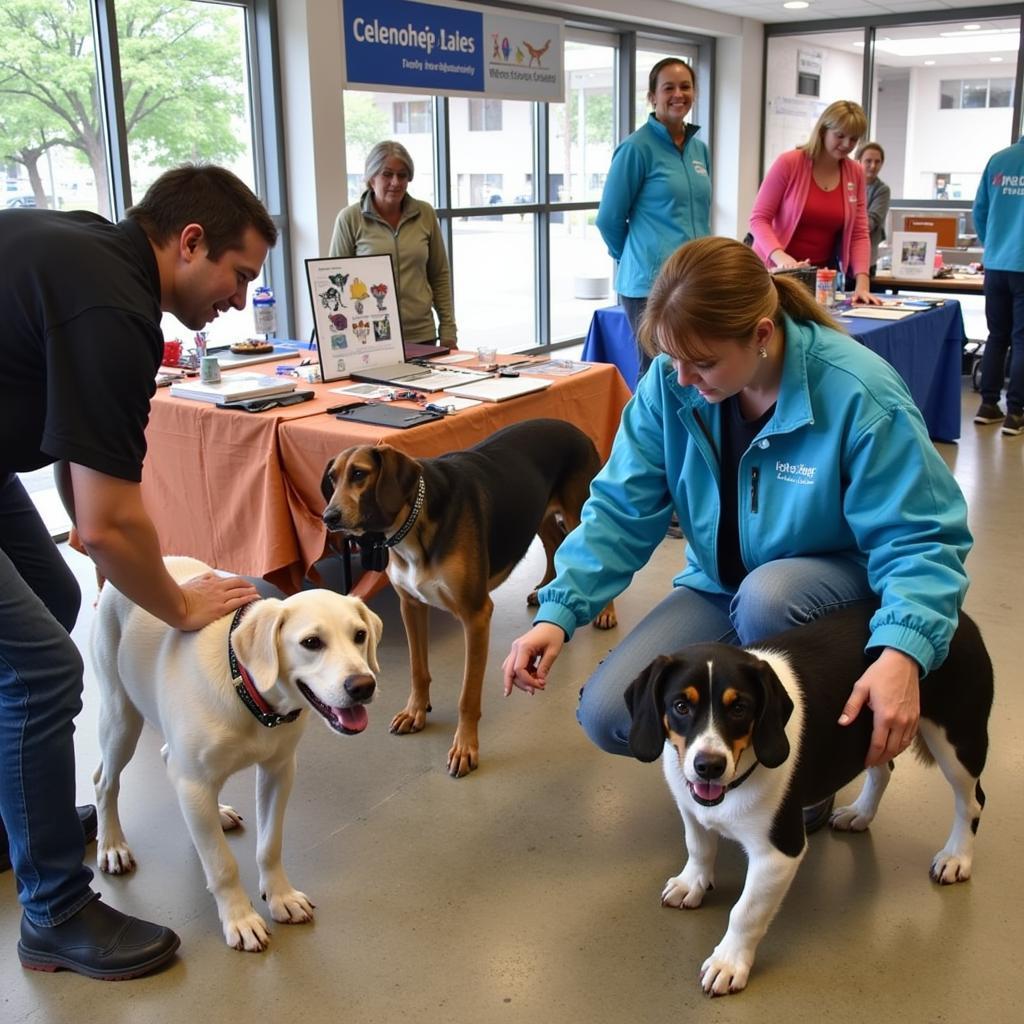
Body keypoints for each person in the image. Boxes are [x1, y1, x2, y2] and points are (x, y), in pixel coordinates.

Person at [503, 236, 971, 830]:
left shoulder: (859, 393)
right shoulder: (672, 385)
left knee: (769, 597)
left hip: (833, 590)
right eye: (672, 358)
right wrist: (558, 610)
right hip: (720, 584)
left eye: (701, 362)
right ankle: (744, 759)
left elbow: (923, 537)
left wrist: (903, 650)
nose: (683, 377)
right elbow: (620, 506)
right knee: (610, 715)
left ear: (761, 333)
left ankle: (810, 771)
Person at [0, 164, 278, 979]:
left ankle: (18, 809)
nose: (238, 298)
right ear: (190, 242)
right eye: (240, 275)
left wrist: (112, 555)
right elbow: (107, 523)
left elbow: (76, 452)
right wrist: (180, 605)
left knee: (51, 597)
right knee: (47, 668)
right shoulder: (115, 309)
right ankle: (52, 910)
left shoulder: (96, 252)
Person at [596, 57, 711, 378]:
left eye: (685, 86)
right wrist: (634, 253)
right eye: (668, 88)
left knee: (692, 368)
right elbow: (609, 219)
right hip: (649, 285)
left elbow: (700, 213)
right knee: (659, 373)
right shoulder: (636, 148)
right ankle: (650, 430)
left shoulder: (699, 150)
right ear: (652, 96)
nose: (678, 94)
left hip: (690, 281)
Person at [749, 100, 880, 305]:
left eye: (853, 139)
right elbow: (758, 219)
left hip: (819, 281)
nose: (847, 144)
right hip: (773, 271)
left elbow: (859, 232)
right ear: (823, 131)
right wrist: (783, 259)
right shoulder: (789, 163)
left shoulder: (855, 172)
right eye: (840, 136)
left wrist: (862, 284)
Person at [329, 141, 457, 347]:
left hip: (421, 334)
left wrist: (448, 330)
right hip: (370, 335)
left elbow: (439, 275)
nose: (396, 182)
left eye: (402, 175)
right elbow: (336, 282)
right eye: (387, 174)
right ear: (371, 178)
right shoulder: (350, 219)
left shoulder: (425, 214)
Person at [972, 135, 1024, 437]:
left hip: (996, 264)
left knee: (997, 335)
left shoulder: (999, 160)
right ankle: (1016, 412)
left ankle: (988, 405)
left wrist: (993, 243)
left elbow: (979, 211)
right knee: (1021, 339)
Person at [858, 141, 891, 277]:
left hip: (865, 260)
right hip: (839, 258)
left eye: (877, 162)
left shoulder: (882, 190)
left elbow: (870, 223)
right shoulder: (848, 184)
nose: (873, 166)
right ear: (858, 161)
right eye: (868, 161)